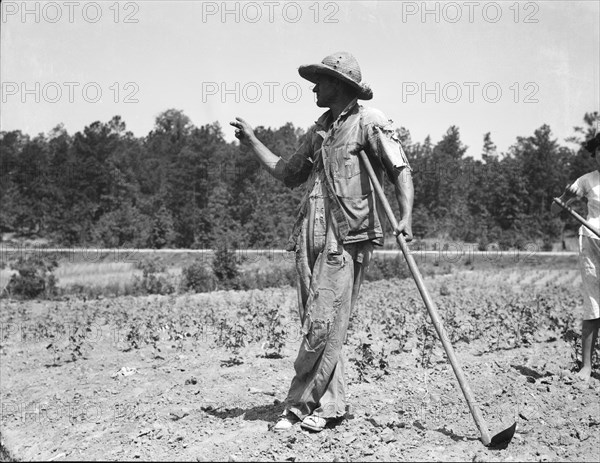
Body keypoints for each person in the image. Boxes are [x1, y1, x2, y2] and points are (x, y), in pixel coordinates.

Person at [230, 52, 414, 432]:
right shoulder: (318, 131)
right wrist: (252, 142)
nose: (314, 87)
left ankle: (299, 406)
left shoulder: (369, 122)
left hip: (346, 235)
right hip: (307, 235)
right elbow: (286, 173)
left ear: (341, 85)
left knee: (323, 322)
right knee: (318, 324)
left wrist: (406, 215)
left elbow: (399, 169)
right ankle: (330, 405)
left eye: (321, 80)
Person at [551, 131, 600, 381]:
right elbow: (555, 209)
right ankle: (586, 367)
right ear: (595, 154)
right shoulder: (587, 181)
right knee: (593, 306)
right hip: (592, 245)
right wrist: (564, 199)